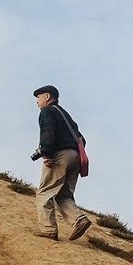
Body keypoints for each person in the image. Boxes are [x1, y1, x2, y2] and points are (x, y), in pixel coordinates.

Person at [32, 84, 91, 241]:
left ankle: (48, 230)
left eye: (39, 97)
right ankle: (79, 219)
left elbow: (48, 133)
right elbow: (82, 139)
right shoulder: (65, 115)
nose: (37, 101)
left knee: (44, 192)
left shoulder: (47, 111)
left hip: (60, 156)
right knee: (63, 194)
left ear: (47, 97)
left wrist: (46, 154)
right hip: (76, 157)